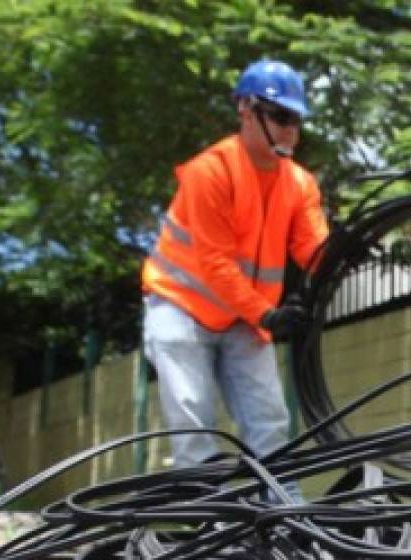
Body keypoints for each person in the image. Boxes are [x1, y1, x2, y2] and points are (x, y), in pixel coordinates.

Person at [140, 59, 329, 493]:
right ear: (247, 111)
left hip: (245, 315)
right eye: (280, 117)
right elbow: (215, 264)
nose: (290, 130)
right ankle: (208, 520)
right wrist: (267, 314)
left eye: (296, 120)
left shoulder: (299, 183)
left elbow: (314, 248)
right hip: (181, 306)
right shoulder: (212, 172)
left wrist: (346, 256)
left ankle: (286, 516)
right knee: (193, 419)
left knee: (269, 421)